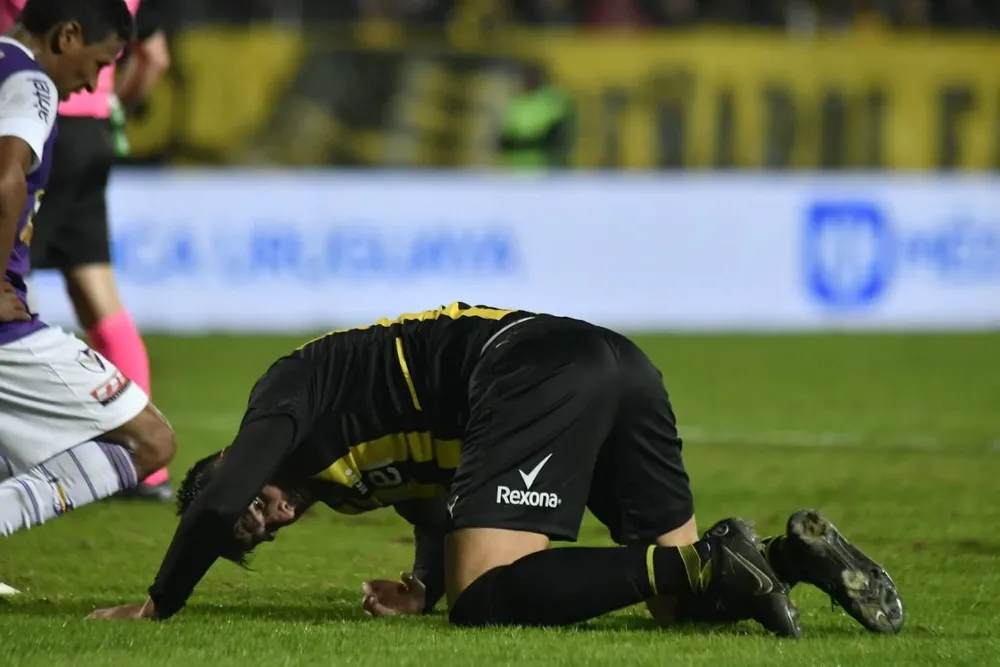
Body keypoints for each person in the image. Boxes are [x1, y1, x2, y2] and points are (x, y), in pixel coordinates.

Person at [88, 303, 901, 636]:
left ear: (231, 456)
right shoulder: (344, 474)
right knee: (677, 611)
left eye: (244, 504)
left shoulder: (283, 396)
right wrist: (422, 582)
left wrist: (161, 602)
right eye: (255, 531)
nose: (257, 513)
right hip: (610, 363)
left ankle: (707, 554)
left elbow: (216, 498)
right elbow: (438, 496)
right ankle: (784, 558)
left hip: (535, 368)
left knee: (489, 600)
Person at [0, 0, 176, 595]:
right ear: (67, 35)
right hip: (3, 327)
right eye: (98, 64)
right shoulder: (31, 82)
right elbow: (6, 177)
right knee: (149, 442)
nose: (93, 85)